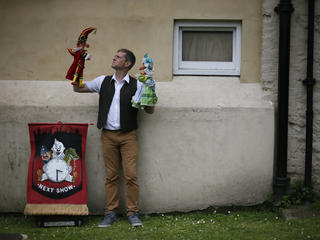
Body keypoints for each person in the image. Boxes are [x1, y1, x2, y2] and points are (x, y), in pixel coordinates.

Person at [72, 49, 154, 227]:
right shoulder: (102, 81)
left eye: (118, 57)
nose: (114, 58)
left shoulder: (137, 84)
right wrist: (79, 65)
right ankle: (110, 213)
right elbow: (77, 88)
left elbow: (149, 110)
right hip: (107, 135)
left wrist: (150, 90)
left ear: (127, 64)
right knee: (111, 176)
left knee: (131, 176)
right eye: (115, 56)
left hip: (129, 136)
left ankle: (133, 213)